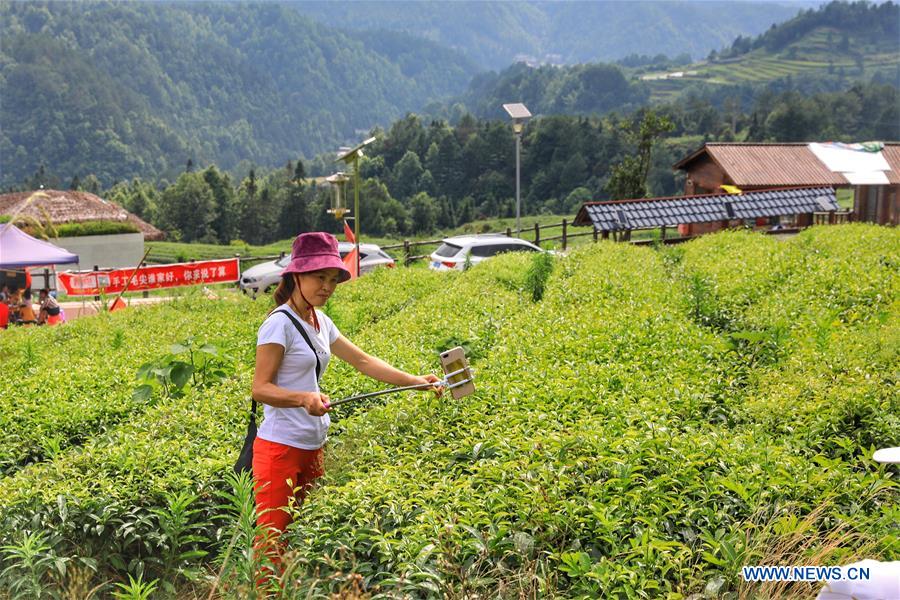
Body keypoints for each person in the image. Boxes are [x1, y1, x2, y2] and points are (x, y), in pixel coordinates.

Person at [250, 232, 442, 558]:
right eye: (319, 277)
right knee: (272, 543)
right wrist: (303, 398)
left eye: (333, 279)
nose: (327, 286)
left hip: (312, 445)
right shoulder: (278, 324)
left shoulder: (321, 321)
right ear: (296, 274)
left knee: (302, 538)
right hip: (280, 449)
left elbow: (363, 360)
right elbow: (260, 388)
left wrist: (415, 380)